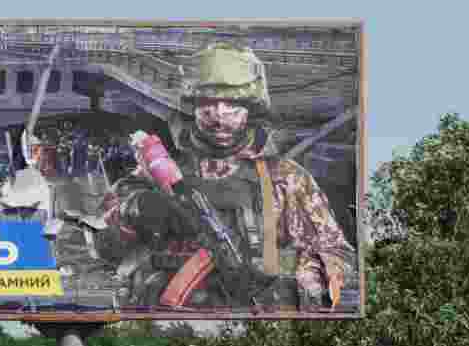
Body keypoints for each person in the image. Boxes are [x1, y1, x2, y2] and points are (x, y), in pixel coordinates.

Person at [101, 43, 355, 311]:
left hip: (254, 321)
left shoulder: (284, 178)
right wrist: (133, 211)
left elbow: (336, 252)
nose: (219, 118)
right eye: (208, 107)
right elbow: (103, 249)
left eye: (232, 107)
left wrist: (298, 290)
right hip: (160, 322)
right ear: (193, 107)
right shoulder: (156, 174)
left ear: (251, 109)